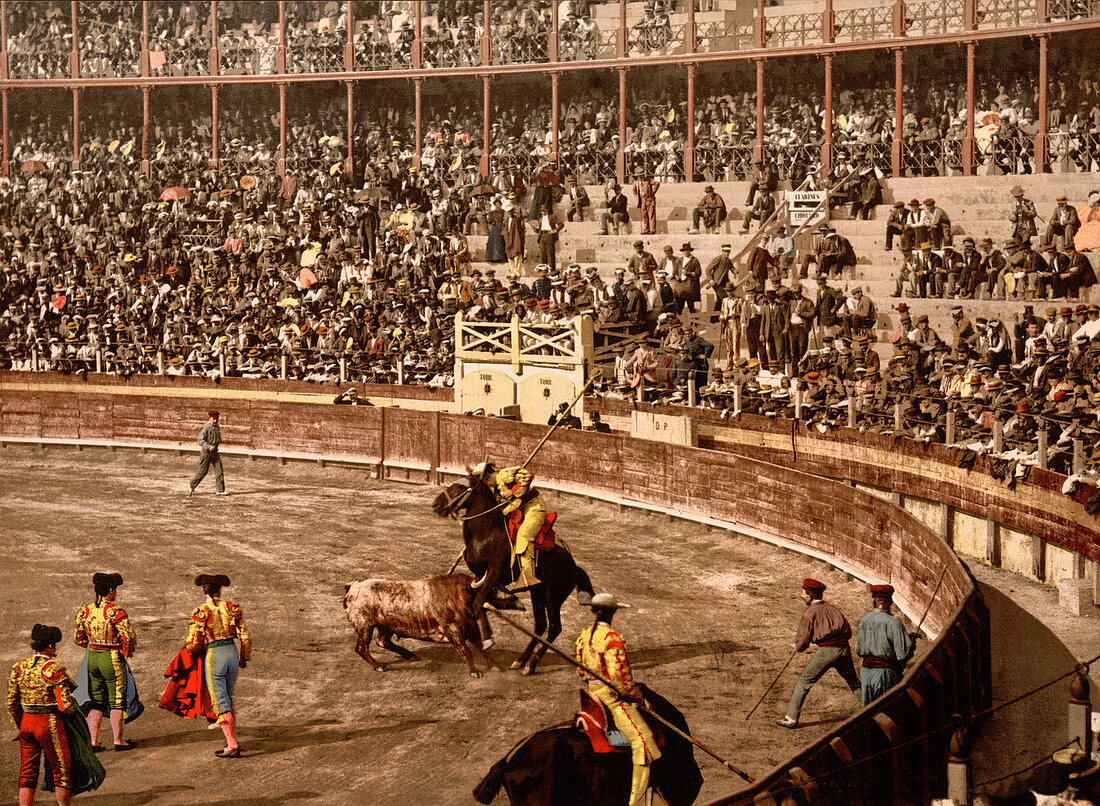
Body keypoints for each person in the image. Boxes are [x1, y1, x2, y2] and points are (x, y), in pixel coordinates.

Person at [574, 593, 660, 806]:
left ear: (594, 611)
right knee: (644, 741)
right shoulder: (611, 638)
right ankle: (637, 801)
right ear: (612, 613)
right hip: (611, 699)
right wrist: (634, 697)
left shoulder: (583, 636)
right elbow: (619, 678)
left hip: (590, 695)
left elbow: (581, 672)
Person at [8, 623, 105, 806]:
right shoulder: (53, 669)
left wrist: (20, 725)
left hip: (27, 724)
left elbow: (11, 703)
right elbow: (66, 706)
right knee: (61, 772)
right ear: (51, 645)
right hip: (49, 724)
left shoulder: (19, 668)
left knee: (27, 773)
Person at [776, 579, 861, 729]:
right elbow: (848, 631)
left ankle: (791, 718)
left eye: (803, 593)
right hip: (844, 649)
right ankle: (871, 708)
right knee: (854, 682)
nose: (801, 596)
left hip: (827, 652)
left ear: (809, 595)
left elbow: (802, 643)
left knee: (804, 682)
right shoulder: (833, 608)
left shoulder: (809, 612)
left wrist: (799, 646)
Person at [185, 573, 252, 757]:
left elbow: (194, 641)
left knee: (221, 701)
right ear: (219, 590)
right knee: (228, 697)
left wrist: (191, 652)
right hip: (231, 652)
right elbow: (245, 637)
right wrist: (243, 657)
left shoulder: (201, 611)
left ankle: (231, 744)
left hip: (215, 654)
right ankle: (231, 738)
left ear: (204, 591)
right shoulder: (231, 608)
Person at [73, 572, 138, 751]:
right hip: (111, 657)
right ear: (111, 590)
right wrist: (126, 650)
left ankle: (93, 741)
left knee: (97, 701)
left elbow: (78, 638)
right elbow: (129, 636)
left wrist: (92, 644)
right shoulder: (115, 612)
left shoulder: (85, 611)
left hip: (93, 657)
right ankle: (119, 740)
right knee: (117, 700)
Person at [483, 463, 545, 591]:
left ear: (487, 477)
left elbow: (527, 476)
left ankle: (528, 576)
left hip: (534, 508)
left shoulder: (504, 474)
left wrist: (512, 491)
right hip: (518, 509)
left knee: (524, 535)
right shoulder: (496, 487)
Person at [855, 584, 914, 705]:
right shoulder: (894, 622)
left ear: (874, 601)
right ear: (890, 601)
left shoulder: (865, 619)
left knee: (868, 711)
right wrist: (911, 644)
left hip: (866, 672)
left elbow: (860, 650)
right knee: (887, 708)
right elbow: (902, 655)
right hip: (884, 674)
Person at [188, 410, 225, 497]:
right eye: (214, 419)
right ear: (210, 418)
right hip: (206, 453)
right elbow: (200, 440)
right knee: (203, 471)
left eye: (217, 419)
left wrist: (218, 442)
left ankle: (220, 490)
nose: (215, 421)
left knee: (219, 470)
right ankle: (191, 485)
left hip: (215, 452)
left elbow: (218, 437)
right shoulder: (206, 427)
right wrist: (209, 446)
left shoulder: (217, 427)